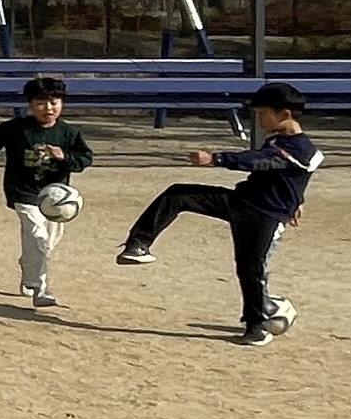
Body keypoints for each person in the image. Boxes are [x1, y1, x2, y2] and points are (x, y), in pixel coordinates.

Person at [115, 80, 323, 346]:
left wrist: (217, 158)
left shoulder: (300, 148)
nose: (258, 120)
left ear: (283, 114)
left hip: (264, 217)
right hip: (240, 201)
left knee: (250, 270)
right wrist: (297, 199)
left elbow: (261, 162)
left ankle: (256, 326)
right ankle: (138, 244)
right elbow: (288, 175)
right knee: (178, 194)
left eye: (262, 114)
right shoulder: (280, 141)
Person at [0, 73, 93, 308]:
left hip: (54, 197)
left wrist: (64, 156)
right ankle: (40, 289)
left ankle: (28, 264)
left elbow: (85, 159)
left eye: (54, 102)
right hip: (23, 192)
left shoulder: (69, 133)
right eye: (41, 103)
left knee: (47, 241)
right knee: (37, 236)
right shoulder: (15, 129)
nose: (48, 108)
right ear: (30, 105)